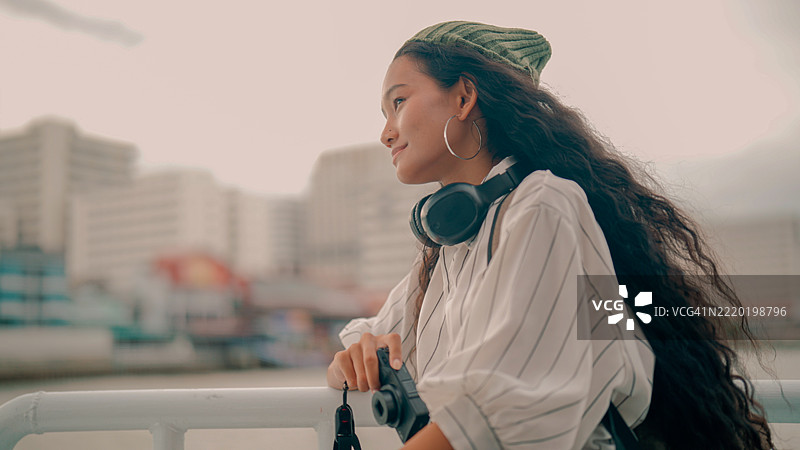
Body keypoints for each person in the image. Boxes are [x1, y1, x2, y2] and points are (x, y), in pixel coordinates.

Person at [326, 21, 773, 450]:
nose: (386, 133)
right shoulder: (446, 252)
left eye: (399, 102)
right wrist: (360, 356)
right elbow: (356, 351)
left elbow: (505, 405)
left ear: (463, 98)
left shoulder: (543, 205)